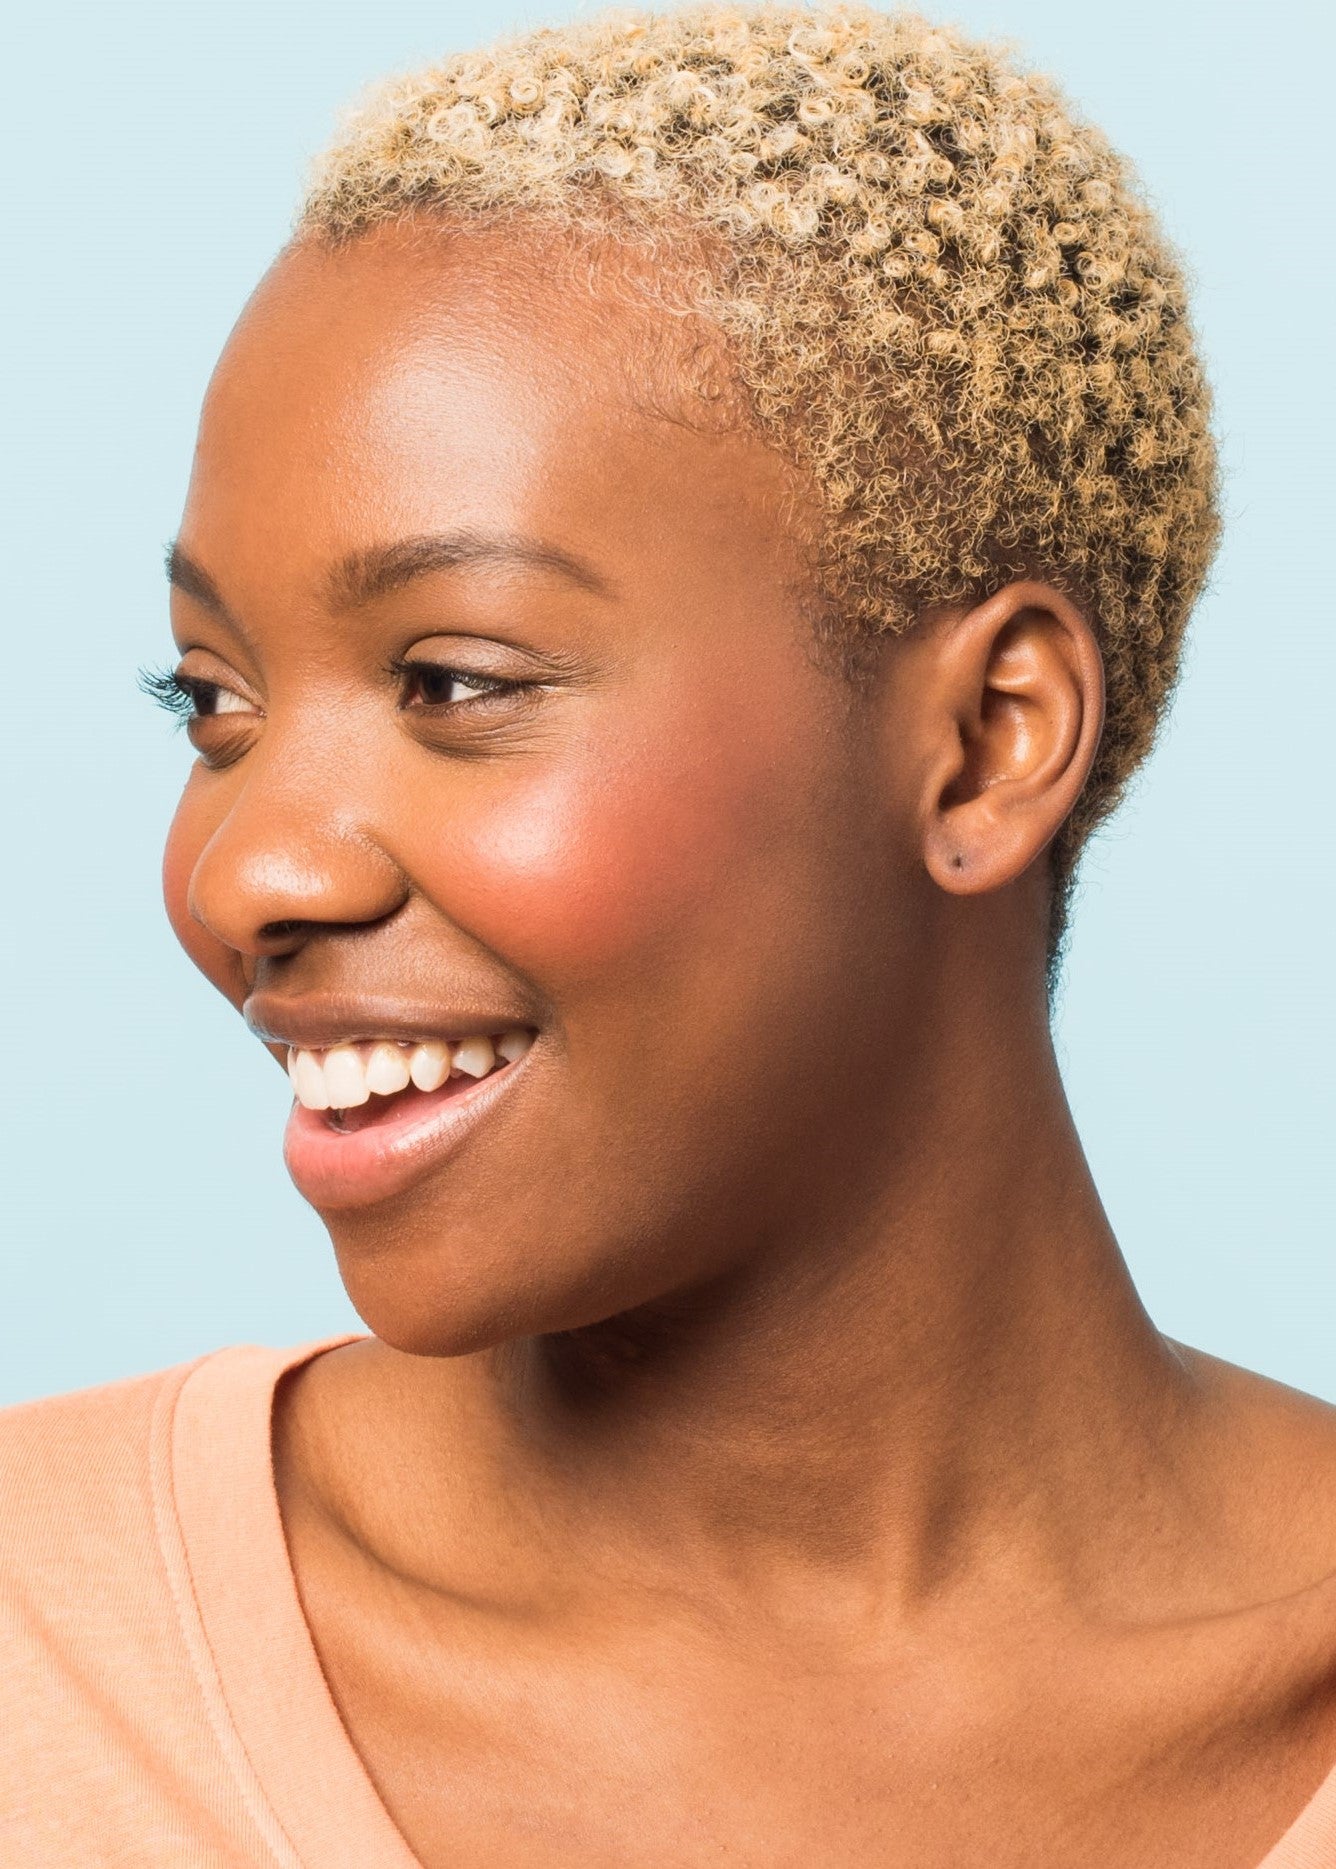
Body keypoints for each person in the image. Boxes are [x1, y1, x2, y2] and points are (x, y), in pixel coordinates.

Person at [3, 4, 1334, 1863]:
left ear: (985, 741)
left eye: (453, 680)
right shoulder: (37, 1646)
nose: (247, 874)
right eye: (210, 698)